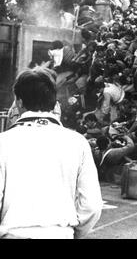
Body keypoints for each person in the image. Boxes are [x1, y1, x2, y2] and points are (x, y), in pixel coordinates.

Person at [0, 68, 102, 239]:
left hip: (12, 233)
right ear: (54, 102)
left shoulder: (3, 142)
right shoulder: (78, 142)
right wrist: (72, 233)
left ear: (18, 101)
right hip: (61, 234)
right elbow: (91, 206)